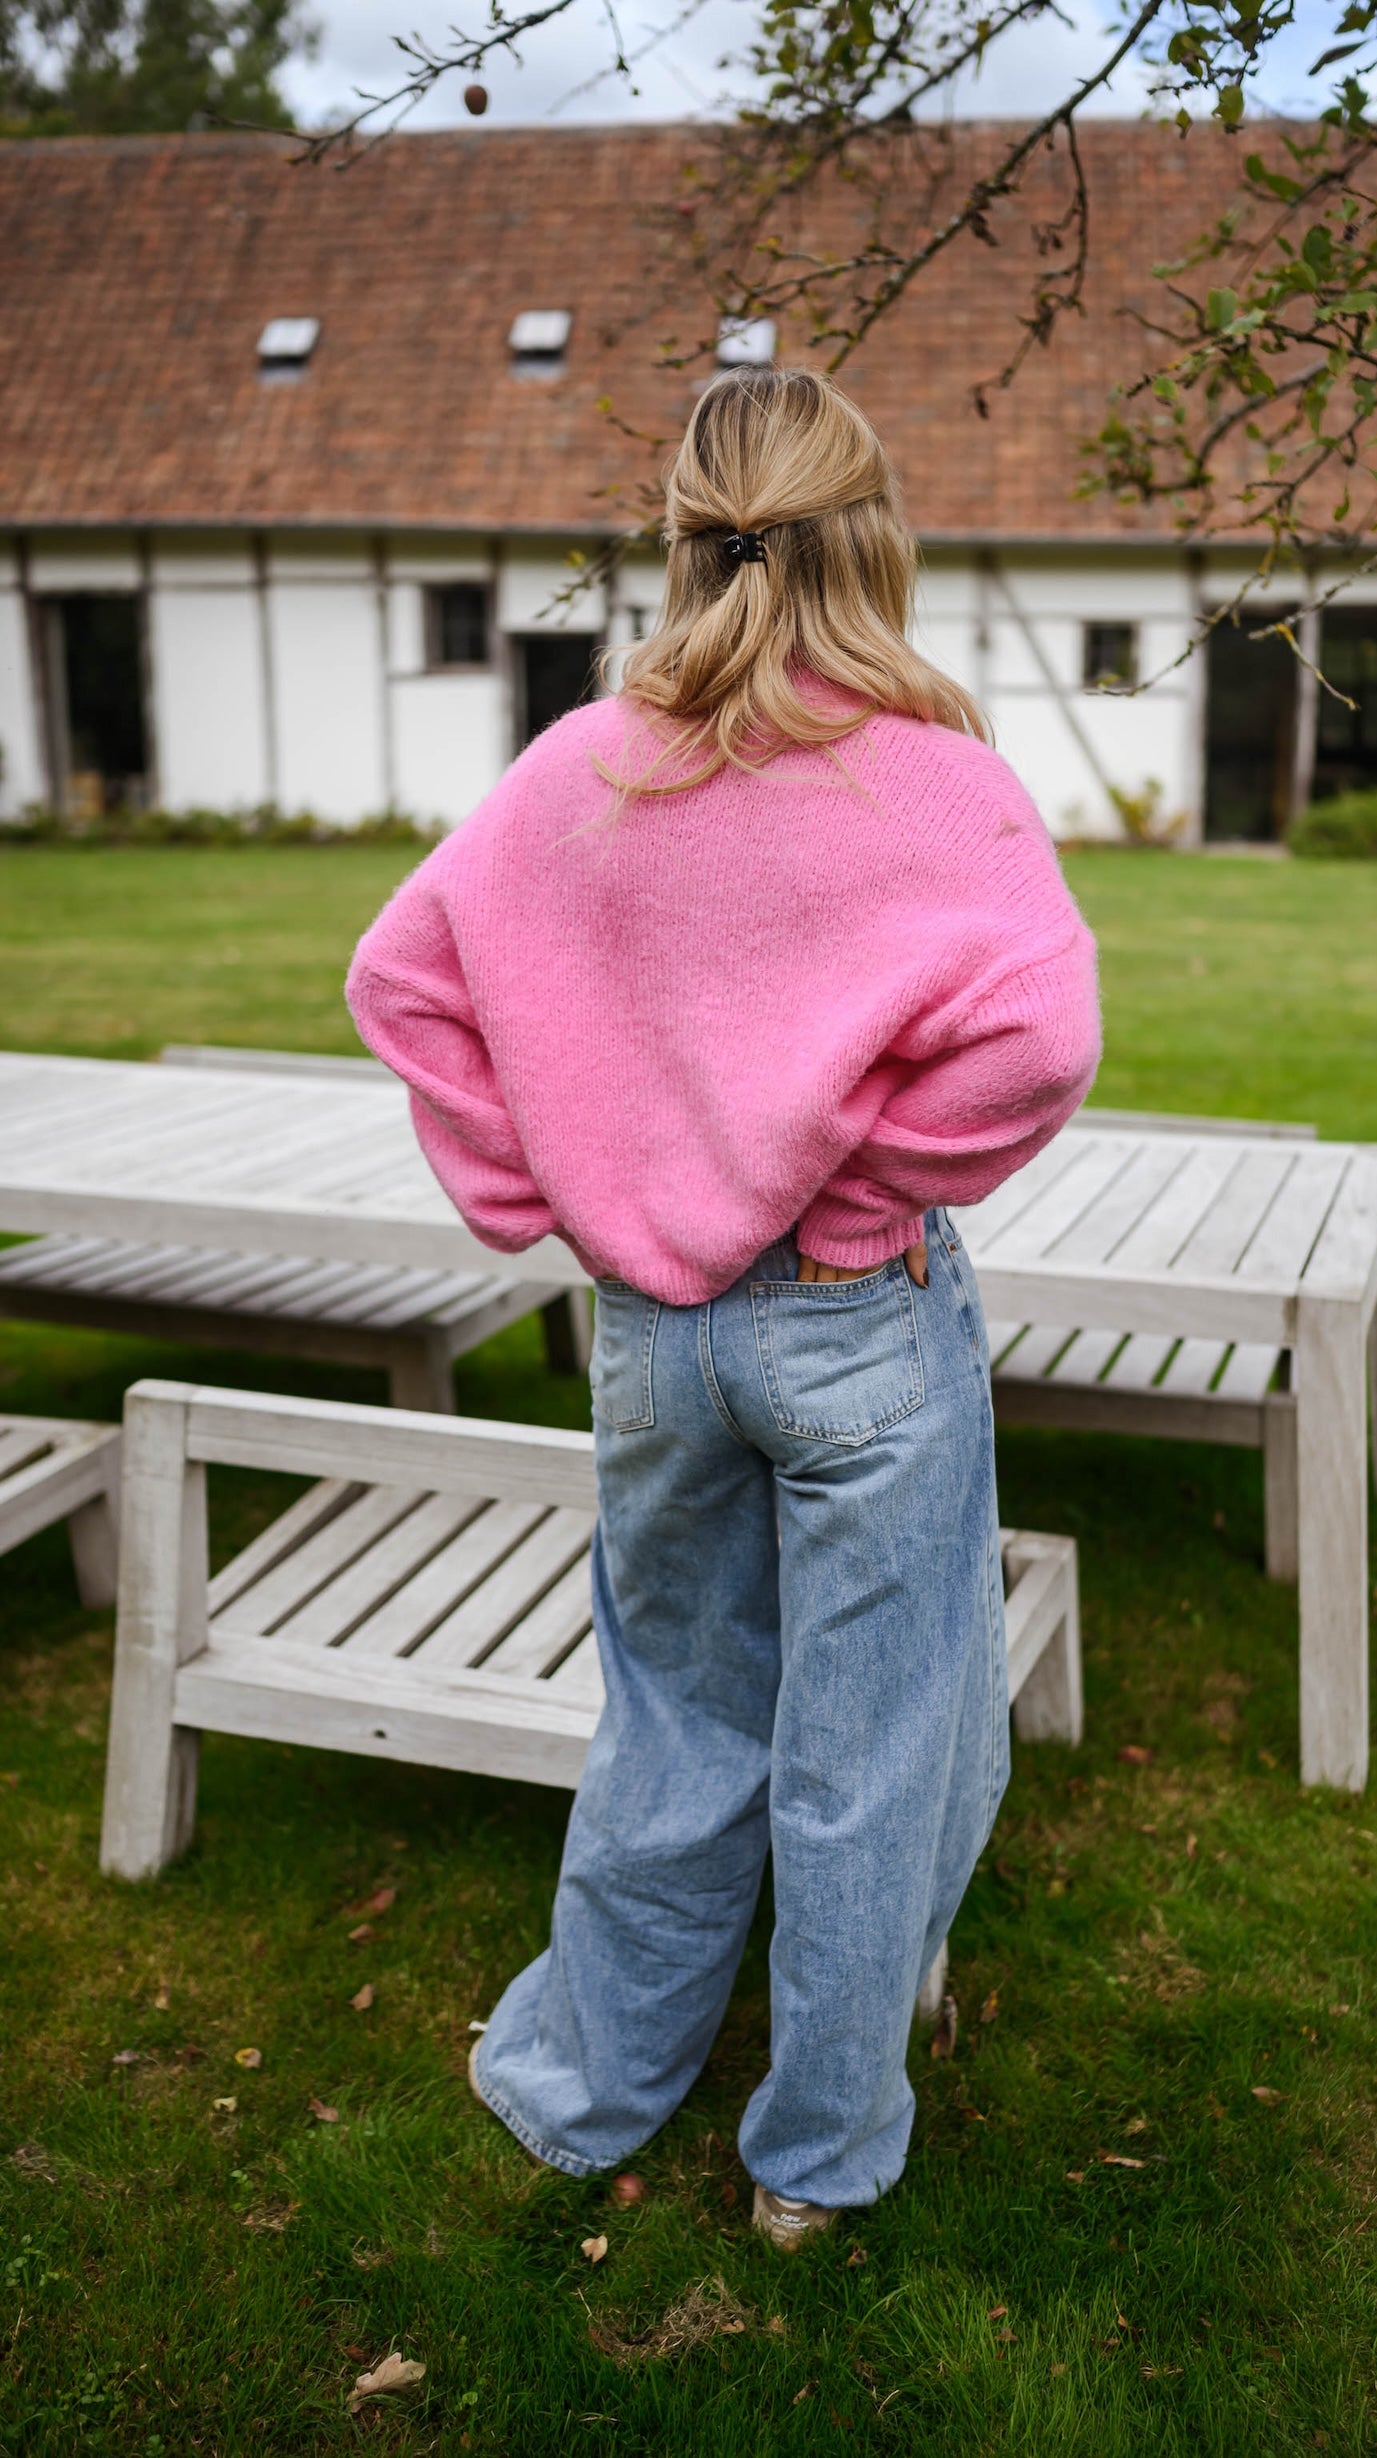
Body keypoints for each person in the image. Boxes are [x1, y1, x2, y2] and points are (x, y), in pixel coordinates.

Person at [345, 366, 1099, 2250]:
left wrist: (552, 1197)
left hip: (654, 1334)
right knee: (873, 1748)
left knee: (674, 1715)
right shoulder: (938, 779)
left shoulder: (579, 769)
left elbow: (404, 979)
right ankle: (813, 2163)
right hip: (854, 1323)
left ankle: (583, 2088)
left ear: (684, 542)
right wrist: (857, 1191)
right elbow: (1040, 1038)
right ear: (873, 537)